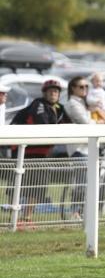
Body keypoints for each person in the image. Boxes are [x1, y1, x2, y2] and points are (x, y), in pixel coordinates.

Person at [9, 79, 71, 221]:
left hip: (41, 150)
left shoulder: (60, 108)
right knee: (22, 182)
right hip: (25, 149)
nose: (53, 93)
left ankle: (27, 216)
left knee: (38, 183)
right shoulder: (39, 104)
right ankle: (16, 214)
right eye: (50, 91)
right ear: (44, 93)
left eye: (56, 91)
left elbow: (69, 123)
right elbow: (42, 123)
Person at [64, 76, 105, 219]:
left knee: (89, 183)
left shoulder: (83, 103)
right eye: (81, 87)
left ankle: (81, 211)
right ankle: (74, 211)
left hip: (88, 148)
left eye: (86, 87)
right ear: (73, 89)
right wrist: (97, 121)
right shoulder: (72, 104)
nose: (85, 89)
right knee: (82, 183)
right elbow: (86, 123)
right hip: (78, 149)